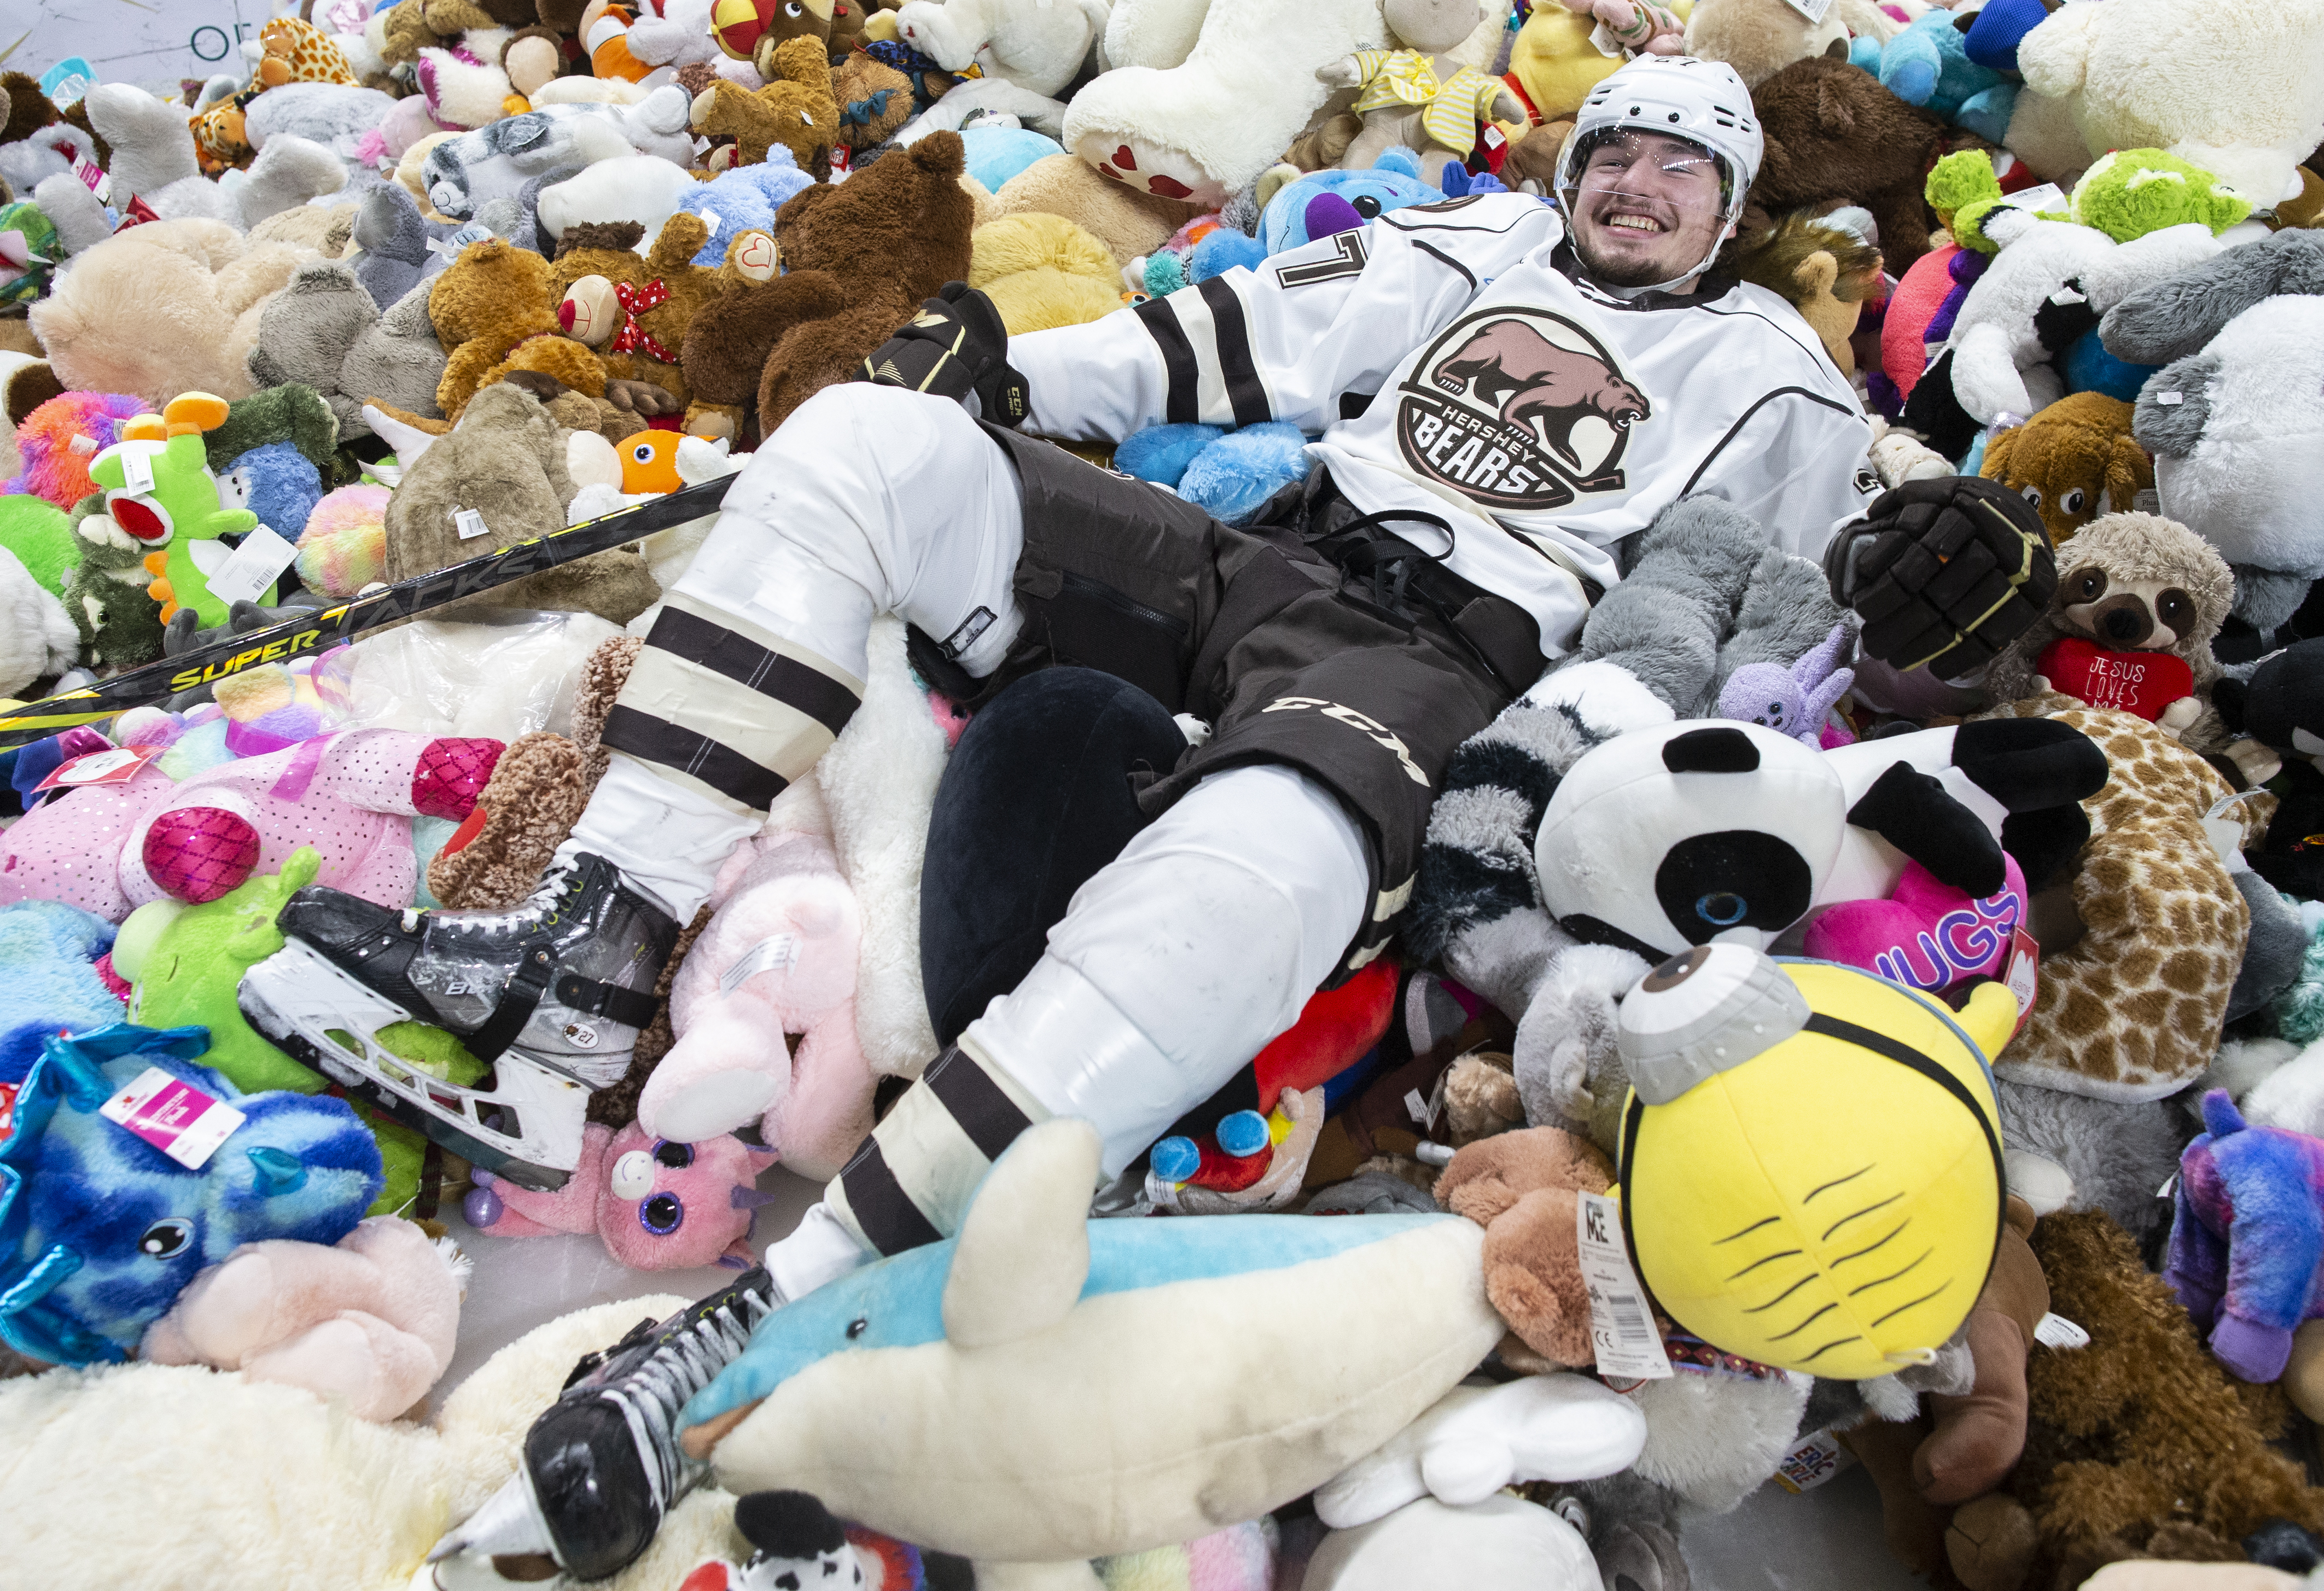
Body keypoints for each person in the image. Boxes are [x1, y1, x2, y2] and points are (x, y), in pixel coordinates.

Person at [247, 55, 2042, 1580]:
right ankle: (580, 955)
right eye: (1617, 153)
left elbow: (1766, 630)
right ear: (1570, 172)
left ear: (1731, 211)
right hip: (1259, 560)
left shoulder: (1772, 379)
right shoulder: (1473, 241)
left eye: (1684, 169)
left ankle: (763, 1305)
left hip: (1445, 658)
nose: (1641, 186)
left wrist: (1907, 644)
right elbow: (1227, 330)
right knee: (874, 447)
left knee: (1253, 865)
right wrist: (1001, 372)